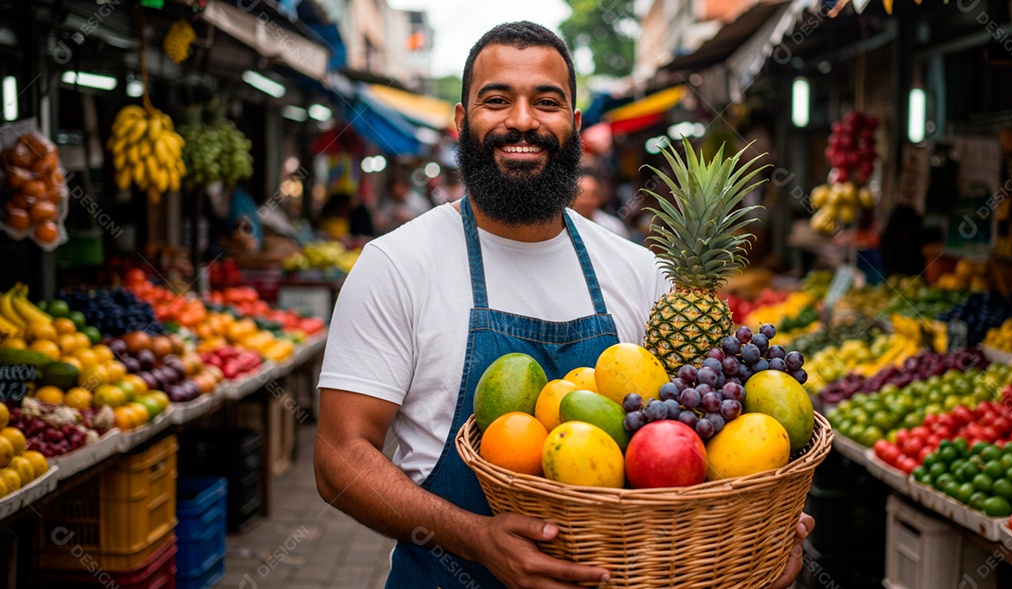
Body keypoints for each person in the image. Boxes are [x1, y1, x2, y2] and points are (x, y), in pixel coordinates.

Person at [314, 21, 812, 589]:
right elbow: (338, 459)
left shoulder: (639, 270)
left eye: (546, 102)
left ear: (574, 126)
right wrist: (473, 538)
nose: (522, 120)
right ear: (461, 121)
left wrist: (749, 544)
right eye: (496, 100)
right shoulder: (397, 266)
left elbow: (689, 440)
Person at [573, 169, 631, 238]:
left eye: (591, 195)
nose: (586, 201)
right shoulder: (560, 227)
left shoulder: (613, 227)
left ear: (599, 197)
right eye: (581, 195)